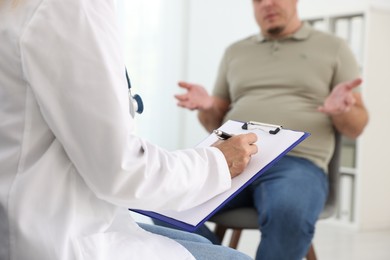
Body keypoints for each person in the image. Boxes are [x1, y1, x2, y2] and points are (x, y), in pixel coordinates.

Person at [0, 0, 260, 259]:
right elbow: (120, 169)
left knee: (195, 240)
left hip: (40, 215)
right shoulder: (70, 7)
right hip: (53, 235)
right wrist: (216, 162)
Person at [154, 0, 369, 259]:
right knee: (162, 196)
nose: (267, 3)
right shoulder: (235, 51)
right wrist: (208, 105)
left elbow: (356, 128)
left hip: (297, 163)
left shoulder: (333, 48)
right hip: (232, 156)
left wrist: (343, 110)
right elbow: (215, 123)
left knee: (290, 210)